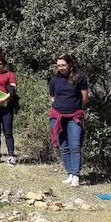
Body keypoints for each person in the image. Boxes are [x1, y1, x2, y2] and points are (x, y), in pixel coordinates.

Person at [48, 54, 89, 187]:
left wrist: (75, 108)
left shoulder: (80, 78)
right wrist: (60, 107)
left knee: (75, 145)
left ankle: (76, 175)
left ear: (70, 65)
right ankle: (70, 174)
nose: (61, 68)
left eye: (63, 65)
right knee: (63, 146)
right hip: (57, 116)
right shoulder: (54, 80)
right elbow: (52, 96)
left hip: (74, 116)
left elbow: (85, 98)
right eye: (59, 65)